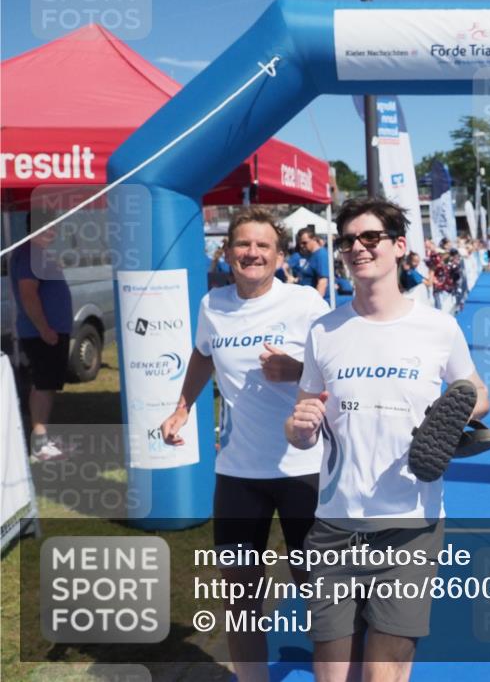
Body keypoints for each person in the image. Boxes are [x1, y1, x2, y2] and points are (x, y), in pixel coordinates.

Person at [285, 197, 490, 682]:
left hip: (410, 523)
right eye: (348, 240)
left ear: (399, 246)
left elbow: (478, 394)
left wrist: (451, 416)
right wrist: (299, 427)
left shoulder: (437, 328)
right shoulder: (324, 330)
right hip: (335, 522)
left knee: (384, 672)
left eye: (370, 237)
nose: (358, 247)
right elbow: (299, 426)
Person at [159, 208, 329, 682]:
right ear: (227, 251)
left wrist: (296, 370)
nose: (252, 253)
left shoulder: (305, 303)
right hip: (238, 476)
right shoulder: (213, 304)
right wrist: (181, 408)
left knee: (316, 589)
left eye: (263, 246)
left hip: (303, 469)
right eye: (243, 244)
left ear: (280, 255)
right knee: (240, 596)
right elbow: (202, 355)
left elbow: (338, 369)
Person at [10, 212, 73, 461]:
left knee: (47, 384)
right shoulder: (30, 255)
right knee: (43, 385)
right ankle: (39, 444)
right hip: (42, 333)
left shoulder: (37, 254)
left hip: (48, 332)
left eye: (54, 227)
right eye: (48, 227)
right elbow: (28, 294)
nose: (53, 232)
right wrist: (44, 328)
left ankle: (43, 439)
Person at [296, 227, 331, 300]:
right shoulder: (310, 255)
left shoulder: (321, 255)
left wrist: (316, 302)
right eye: (300, 243)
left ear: (314, 239)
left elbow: (322, 282)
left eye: (304, 243)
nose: (302, 246)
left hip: (319, 300)